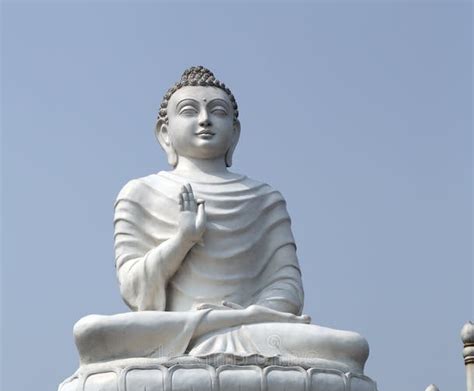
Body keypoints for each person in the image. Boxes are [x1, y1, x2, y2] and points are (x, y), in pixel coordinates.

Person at [74, 66, 368, 372]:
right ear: (164, 133)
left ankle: (217, 343)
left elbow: (288, 288)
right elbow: (135, 290)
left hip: (255, 330)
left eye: (217, 111)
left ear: (235, 133)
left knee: (350, 348)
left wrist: (238, 318)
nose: (204, 120)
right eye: (189, 111)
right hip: (175, 326)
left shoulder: (264, 198)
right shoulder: (140, 193)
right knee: (92, 334)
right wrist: (182, 241)